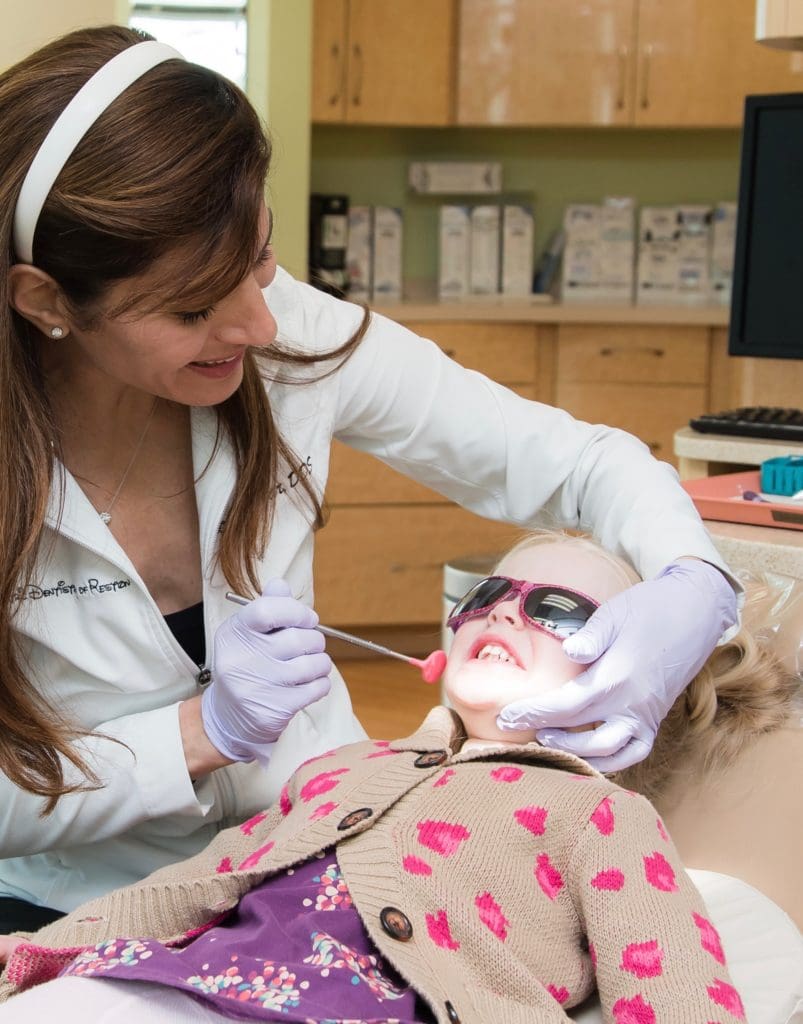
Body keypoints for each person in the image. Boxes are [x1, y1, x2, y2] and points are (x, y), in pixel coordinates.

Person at [0, 23, 741, 931]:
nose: (259, 326)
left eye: (259, 257)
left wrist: (694, 584)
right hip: (70, 908)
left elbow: (579, 463)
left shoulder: (292, 333)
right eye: (193, 307)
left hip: (324, 858)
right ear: (45, 300)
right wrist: (200, 735)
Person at [0, 531, 793, 1021]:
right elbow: (190, 887)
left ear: (636, 673)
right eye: (491, 593)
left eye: (556, 609)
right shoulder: (344, 770)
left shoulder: (597, 815)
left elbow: (672, 990)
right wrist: (31, 954)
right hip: (191, 988)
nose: (504, 612)